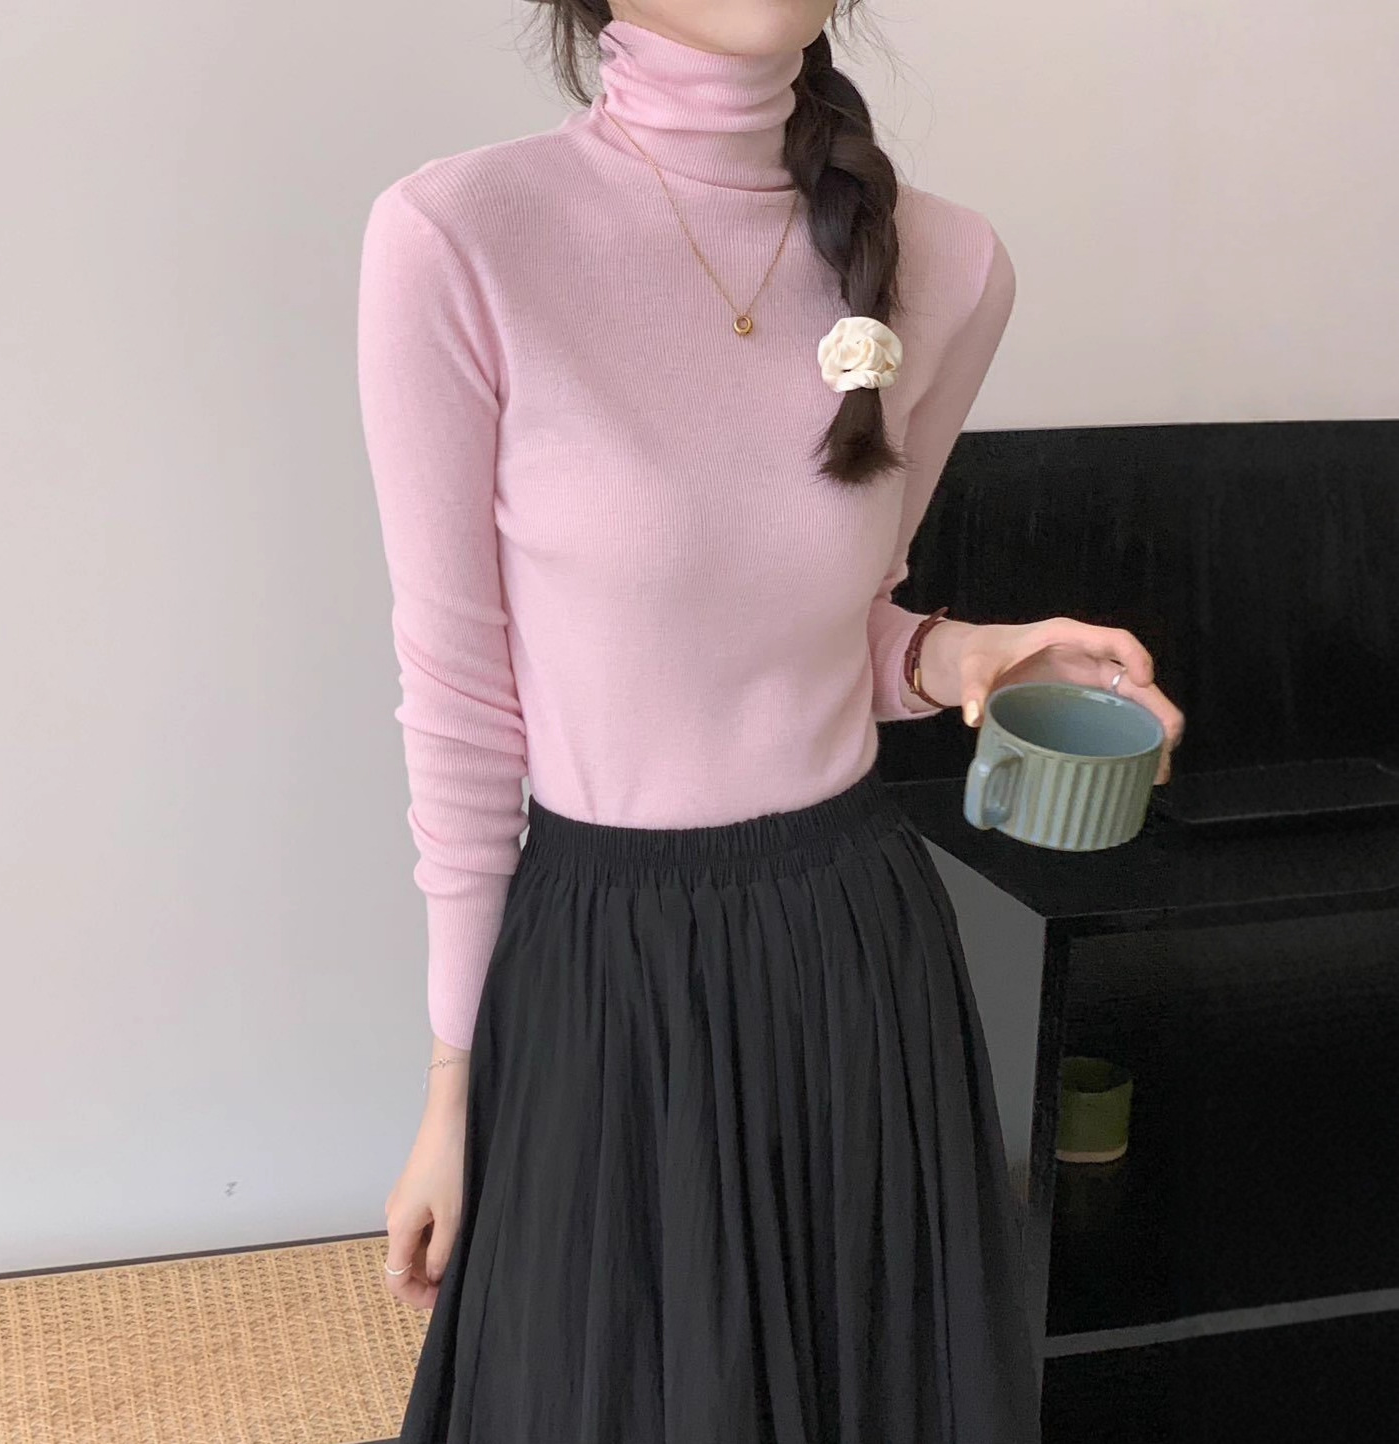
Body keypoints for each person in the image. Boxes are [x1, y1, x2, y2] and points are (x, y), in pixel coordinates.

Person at [355, 3, 1185, 1441]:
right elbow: (467, 702)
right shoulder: (460, 238)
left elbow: (832, 627)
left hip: (853, 952)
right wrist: (454, 1089)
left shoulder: (953, 263)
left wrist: (968, 657)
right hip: (601, 972)